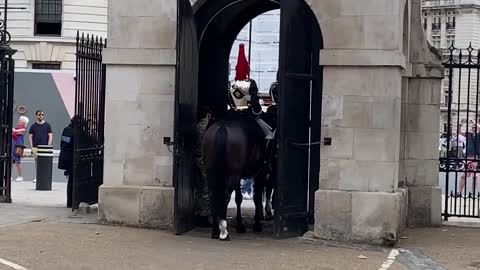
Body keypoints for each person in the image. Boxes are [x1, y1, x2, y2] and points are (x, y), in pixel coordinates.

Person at [194, 106, 213, 226]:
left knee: (199, 187)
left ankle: (198, 211)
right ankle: (204, 214)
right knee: (206, 187)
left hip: (196, 157)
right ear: (207, 115)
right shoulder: (206, 127)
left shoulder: (196, 126)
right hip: (204, 159)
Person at [29, 110, 53, 183]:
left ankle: (44, 177)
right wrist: (32, 146)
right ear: (36, 115)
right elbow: (30, 136)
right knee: (37, 162)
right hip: (36, 147)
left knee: (45, 162)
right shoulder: (33, 126)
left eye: (42, 114)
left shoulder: (47, 125)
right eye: (39, 114)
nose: (41, 116)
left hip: (45, 147)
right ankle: (37, 177)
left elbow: (50, 135)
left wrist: (48, 145)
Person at [58, 116, 76, 208]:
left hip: (66, 158)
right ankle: (72, 202)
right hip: (71, 159)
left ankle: (70, 202)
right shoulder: (74, 131)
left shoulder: (66, 130)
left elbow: (63, 144)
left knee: (70, 181)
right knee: (73, 181)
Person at [11, 116, 29, 182]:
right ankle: (10, 176)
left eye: (20, 120)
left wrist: (12, 129)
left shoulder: (23, 129)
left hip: (18, 146)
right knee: (11, 161)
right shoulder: (16, 128)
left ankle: (20, 176)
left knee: (17, 162)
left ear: (23, 122)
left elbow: (15, 132)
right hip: (13, 145)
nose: (18, 121)